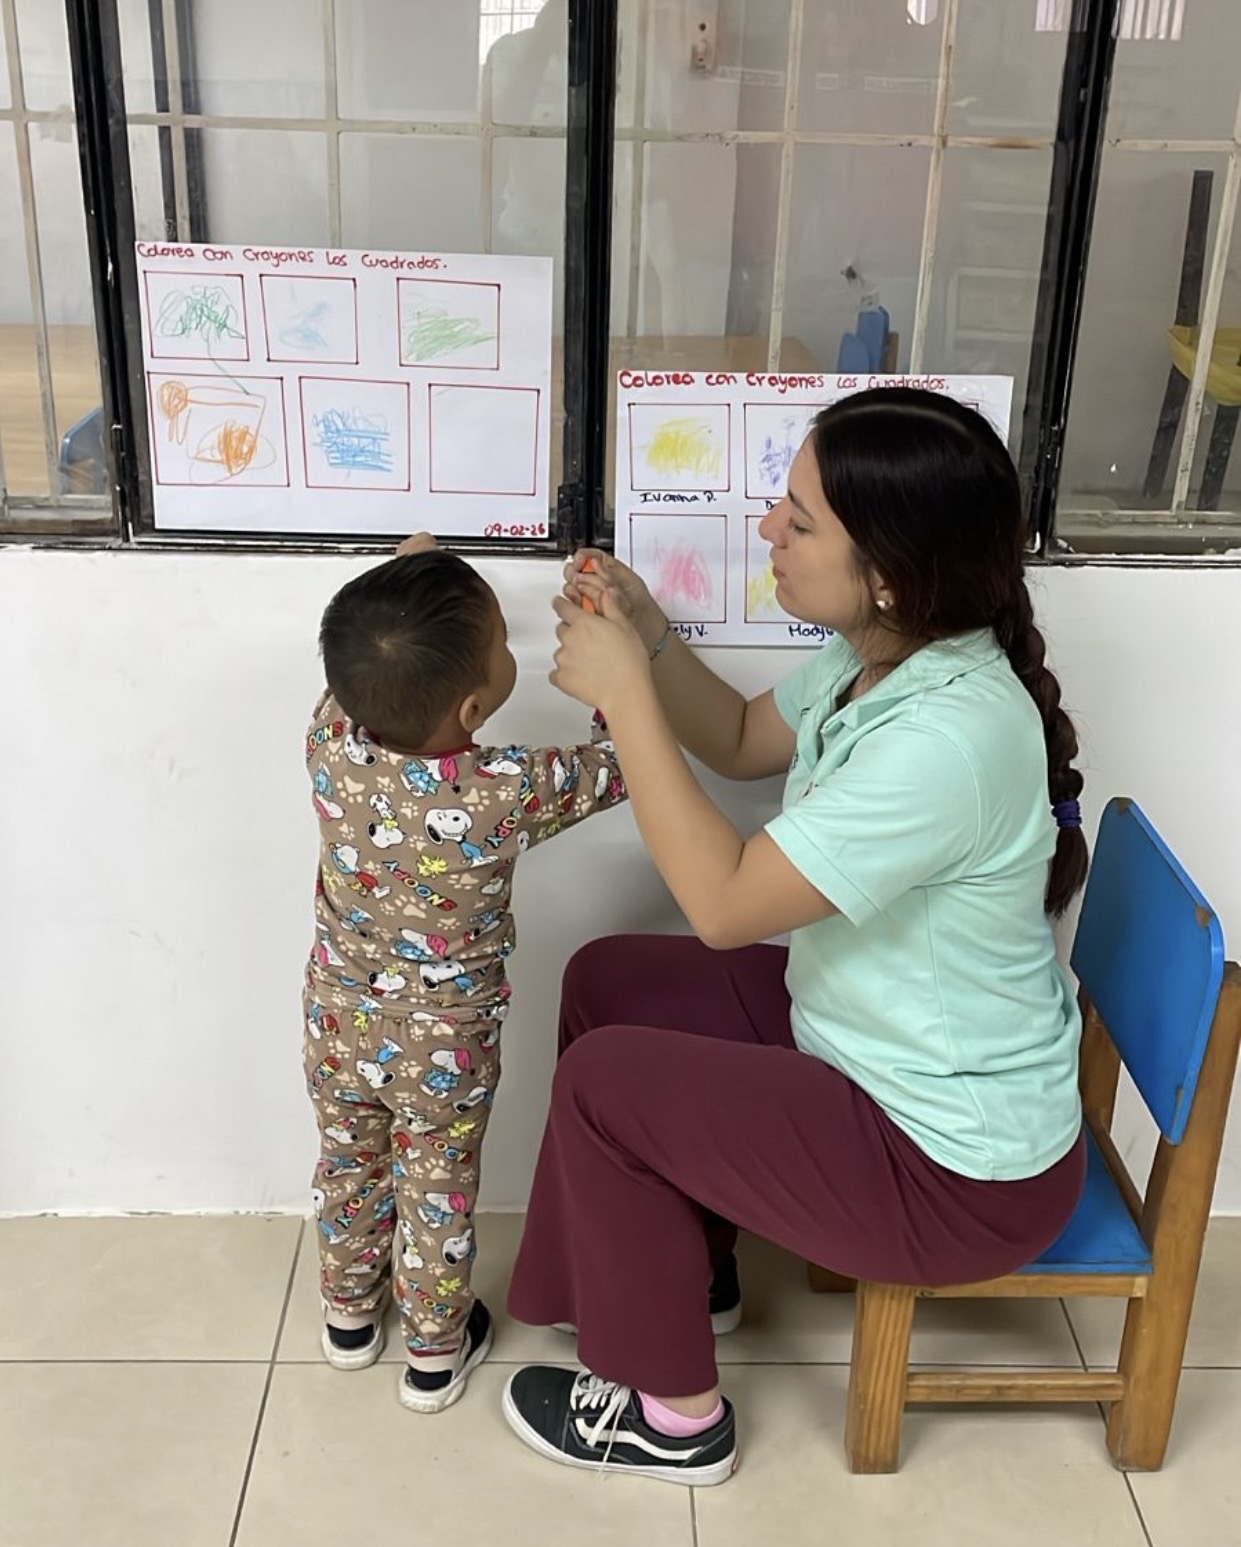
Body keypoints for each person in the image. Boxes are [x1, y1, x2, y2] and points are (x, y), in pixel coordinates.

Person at [499, 388, 1089, 1486]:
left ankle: (672, 1418)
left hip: (951, 1168)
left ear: (888, 571)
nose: (767, 527)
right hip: (868, 1045)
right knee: (609, 978)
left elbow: (723, 905)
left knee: (604, 1084)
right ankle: (679, 1272)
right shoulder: (884, 653)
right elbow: (734, 737)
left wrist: (626, 694)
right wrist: (649, 634)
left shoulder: (946, 739)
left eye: (799, 519)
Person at [303, 534, 626, 1414]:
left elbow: (350, 674)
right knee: (435, 1189)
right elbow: (618, 766)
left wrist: (403, 576)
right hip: (445, 1045)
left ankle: (348, 1317)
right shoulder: (505, 786)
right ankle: (434, 1354)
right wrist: (612, 673)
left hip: (337, 1023)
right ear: (476, 705)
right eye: (502, 640)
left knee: (348, 1163)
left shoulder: (331, 743)